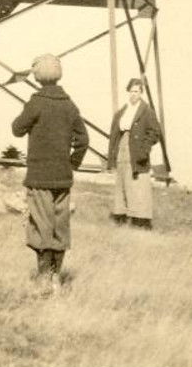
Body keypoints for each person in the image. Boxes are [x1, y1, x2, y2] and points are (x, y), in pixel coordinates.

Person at [11, 53, 89, 286]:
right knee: (60, 227)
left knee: (41, 226)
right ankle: (57, 277)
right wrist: (71, 164)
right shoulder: (69, 105)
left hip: (39, 177)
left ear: (38, 76)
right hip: (63, 178)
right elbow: (83, 140)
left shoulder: (36, 102)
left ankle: (44, 278)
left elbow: (17, 129)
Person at [106, 77, 162, 229]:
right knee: (123, 182)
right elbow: (114, 134)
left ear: (141, 93)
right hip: (122, 148)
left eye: (137, 91)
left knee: (138, 183)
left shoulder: (146, 111)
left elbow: (155, 132)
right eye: (131, 91)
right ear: (128, 92)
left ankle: (141, 219)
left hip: (137, 150)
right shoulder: (122, 112)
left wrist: (145, 148)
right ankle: (121, 215)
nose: (134, 94)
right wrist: (112, 155)